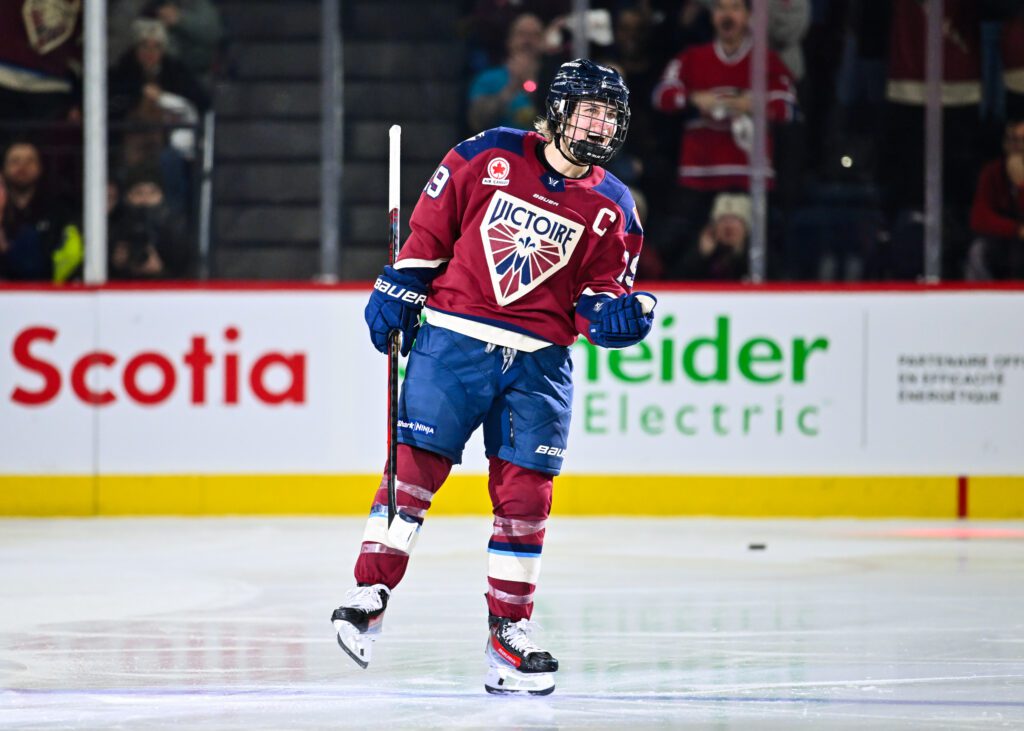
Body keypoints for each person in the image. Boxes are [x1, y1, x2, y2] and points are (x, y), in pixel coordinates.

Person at [331, 59, 656, 696]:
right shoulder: (487, 155)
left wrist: (614, 318)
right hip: (455, 342)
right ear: (559, 112)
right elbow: (430, 233)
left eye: (610, 115)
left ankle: (509, 632)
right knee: (413, 469)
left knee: (527, 497)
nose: (600, 125)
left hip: (540, 362)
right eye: (589, 111)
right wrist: (400, 283)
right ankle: (369, 592)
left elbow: (596, 296)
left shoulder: (615, 205)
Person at [650, 0, 796, 269]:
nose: (727, 15)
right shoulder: (692, 57)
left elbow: (787, 108)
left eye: (735, 8)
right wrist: (694, 99)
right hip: (699, 174)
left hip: (750, 176)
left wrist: (752, 104)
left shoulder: (765, 60)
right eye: (720, 8)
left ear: (748, 16)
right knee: (683, 245)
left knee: (765, 249)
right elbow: (662, 96)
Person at [0, 141, 82, 283]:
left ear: (40, 168)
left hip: (47, 291)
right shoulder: (3, 212)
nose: (22, 167)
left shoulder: (58, 212)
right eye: (15, 161)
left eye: (29, 161)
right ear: (4, 169)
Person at [966, 118, 1024, 279]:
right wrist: (1017, 229)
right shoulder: (993, 171)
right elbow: (979, 218)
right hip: (1004, 240)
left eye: (1022, 140)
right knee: (978, 249)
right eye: (1012, 139)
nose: (1017, 146)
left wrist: (1021, 185)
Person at [678, 192, 751, 280]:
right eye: (722, 219)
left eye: (735, 219)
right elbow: (676, 281)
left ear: (746, 227)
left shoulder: (757, 255)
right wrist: (699, 255)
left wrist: (739, 250)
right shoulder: (703, 252)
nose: (728, 225)